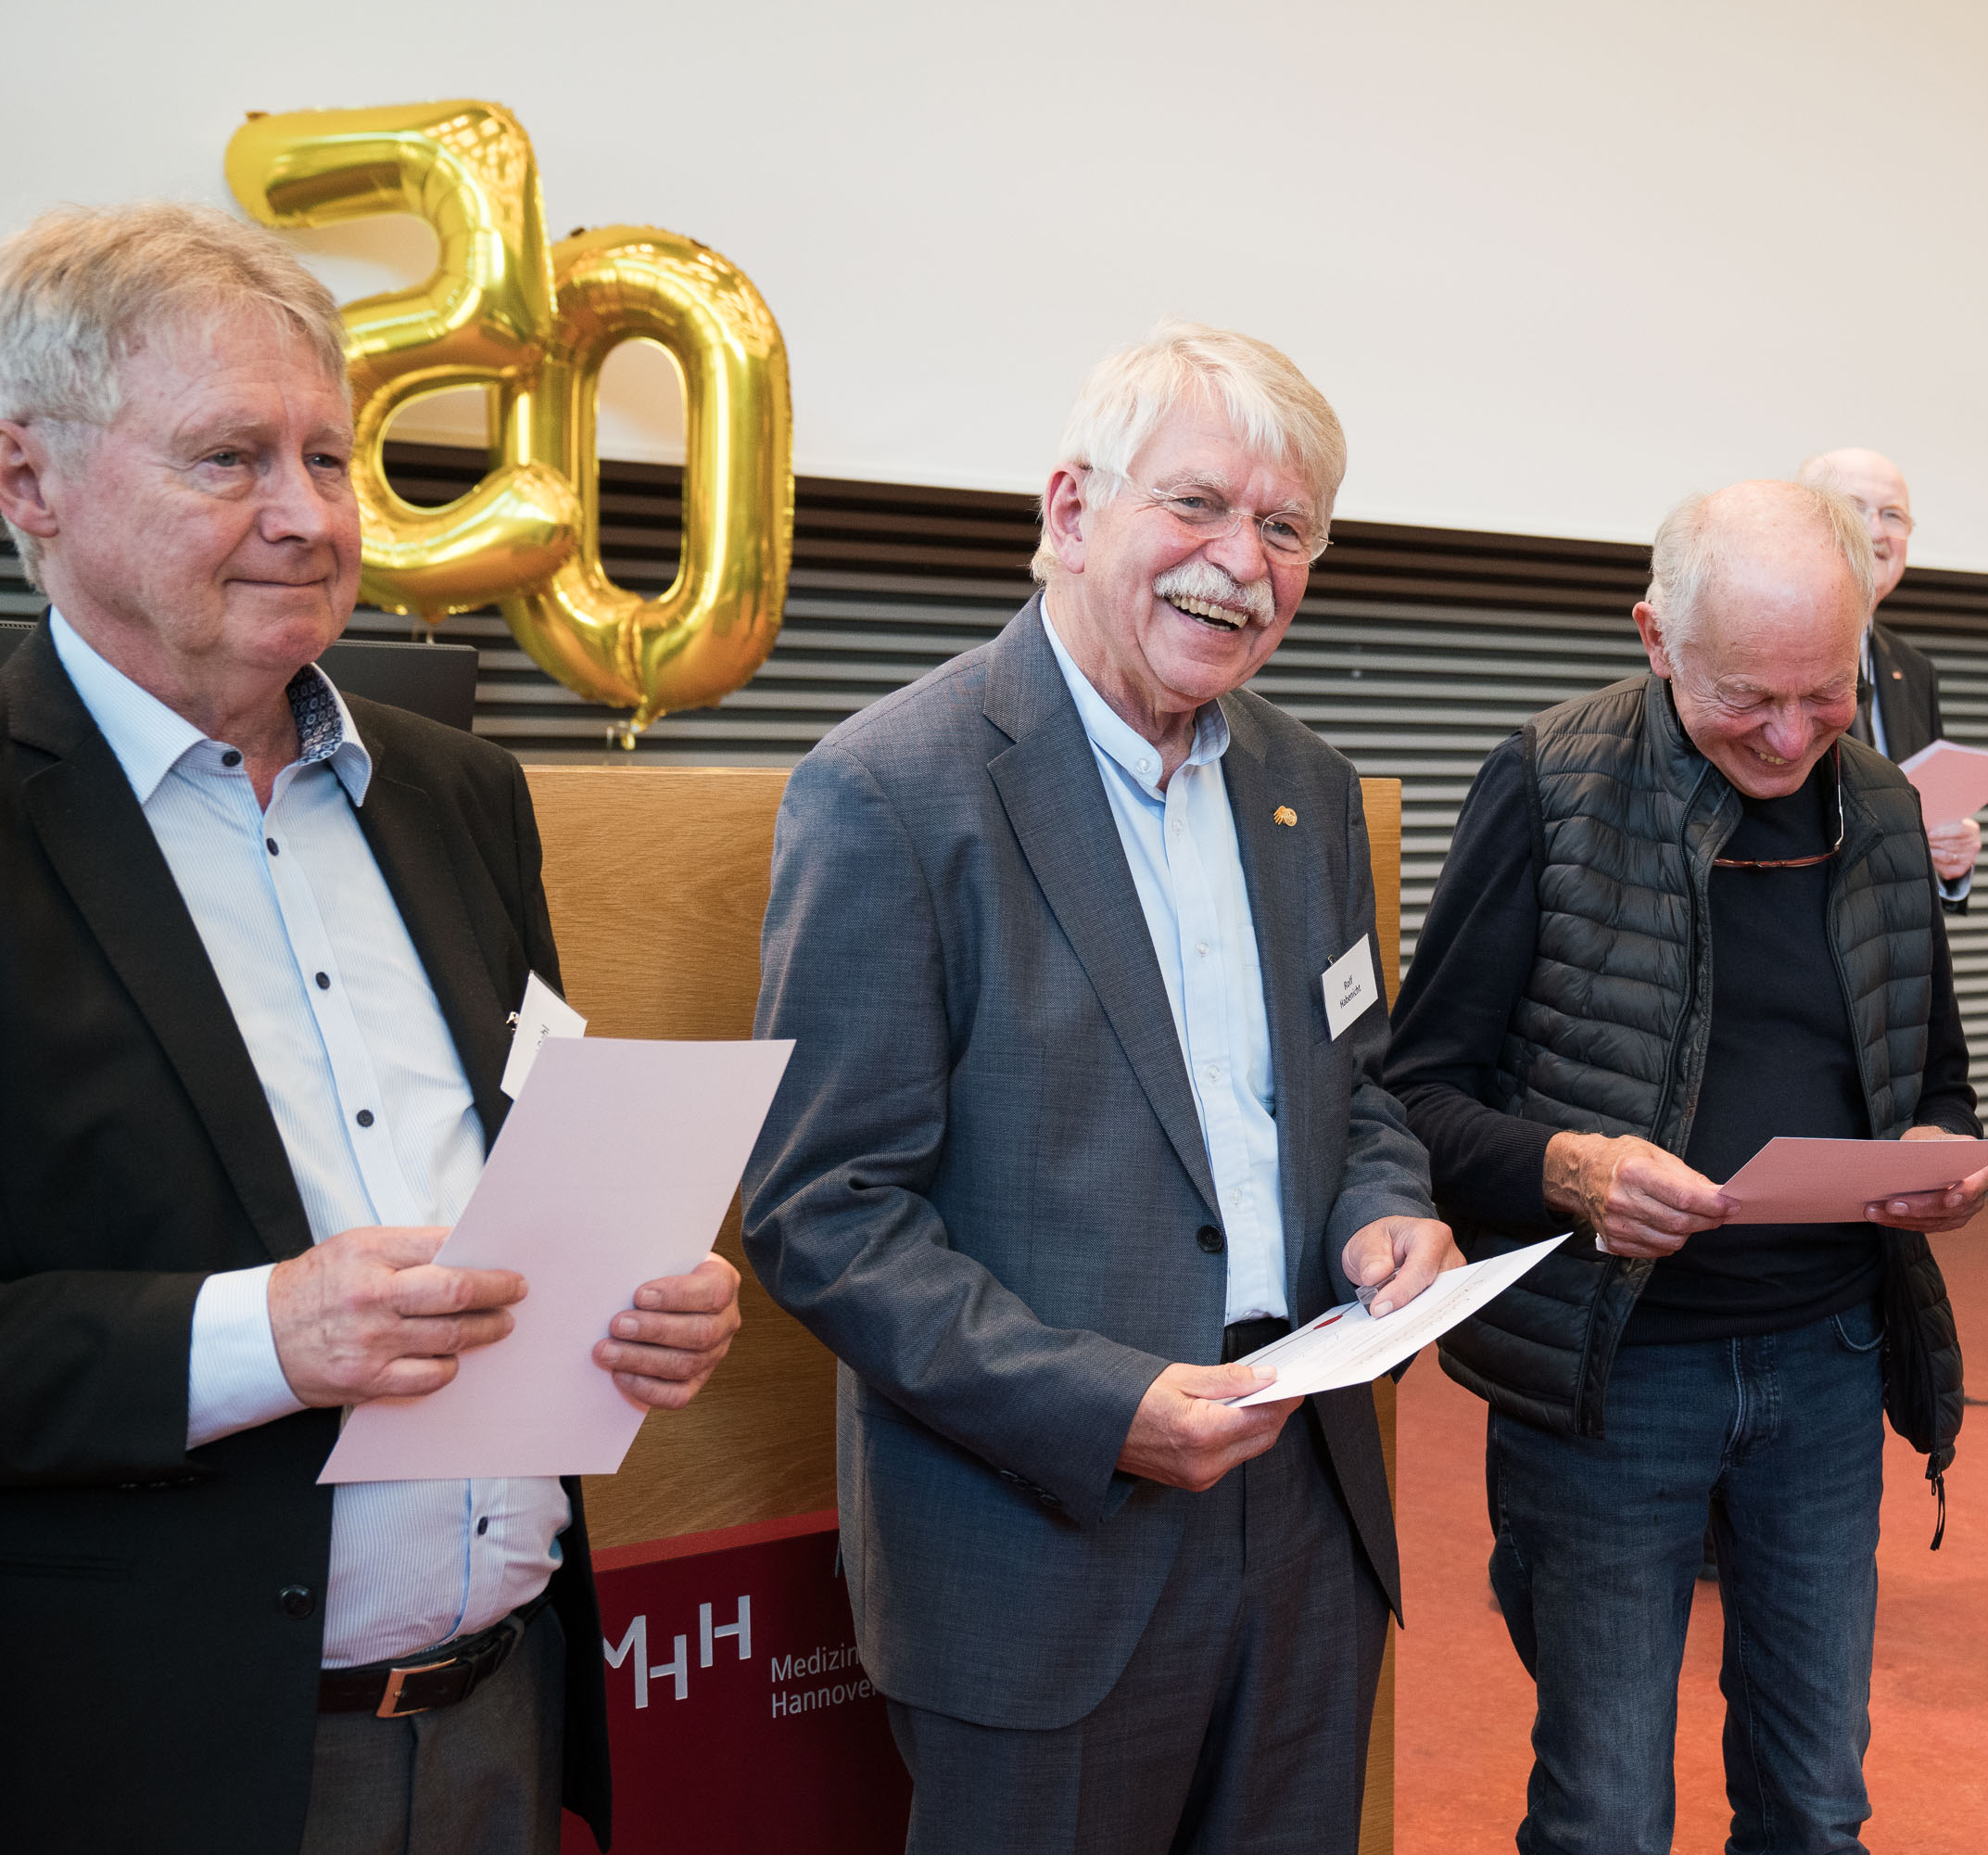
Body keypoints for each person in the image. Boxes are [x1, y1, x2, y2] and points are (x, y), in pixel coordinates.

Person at [0, 202, 743, 1855]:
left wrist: (638, 1298)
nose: (304, 516)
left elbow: (534, 1143)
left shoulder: (461, 795)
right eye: (227, 459)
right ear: (27, 483)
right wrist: (260, 1336)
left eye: (331, 460)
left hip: (502, 1708)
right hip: (149, 1760)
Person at [742, 320, 1454, 1855]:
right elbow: (819, 1210)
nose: (1240, 563)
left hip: (1307, 1505)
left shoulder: (1307, 789)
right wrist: (1104, 1405)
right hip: (1043, 1535)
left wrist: (1385, 1213)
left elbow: (1359, 1089)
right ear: (1071, 511)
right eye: (1195, 506)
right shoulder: (890, 789)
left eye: (1285, 528)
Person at [1387, 478, 1988, 1855]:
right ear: (1656, 638)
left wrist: (1945, 1151)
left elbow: (1938, 1076)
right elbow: (1418, 1098)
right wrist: (1572, 1169)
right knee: (1604, 1809)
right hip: (1613, 1373)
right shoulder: (1547, 781)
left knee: (1819, 1800)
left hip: (1829, 1363)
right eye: (1747, 698)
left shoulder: (1886, 808)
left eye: (1824, 694)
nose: (1789, 735)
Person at [1797, 446, 1973, 911]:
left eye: (1893, 515)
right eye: (1854, 508)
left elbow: (1922, 817)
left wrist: (1946, 857)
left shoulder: (1912, 669)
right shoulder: (1767, 649)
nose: (1877, 531)